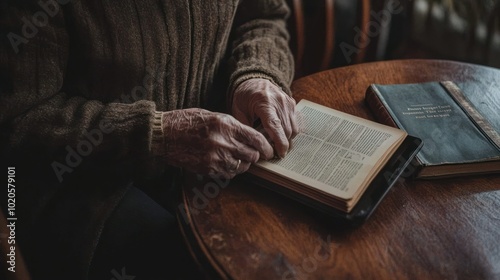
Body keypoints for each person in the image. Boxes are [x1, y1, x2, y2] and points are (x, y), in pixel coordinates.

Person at [0, 0, 298, 279]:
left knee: (290, 242)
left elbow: (263, 17)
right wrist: (157, 134)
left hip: (216, 150)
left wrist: (257, 74)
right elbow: (19, 121)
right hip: (87, 190)